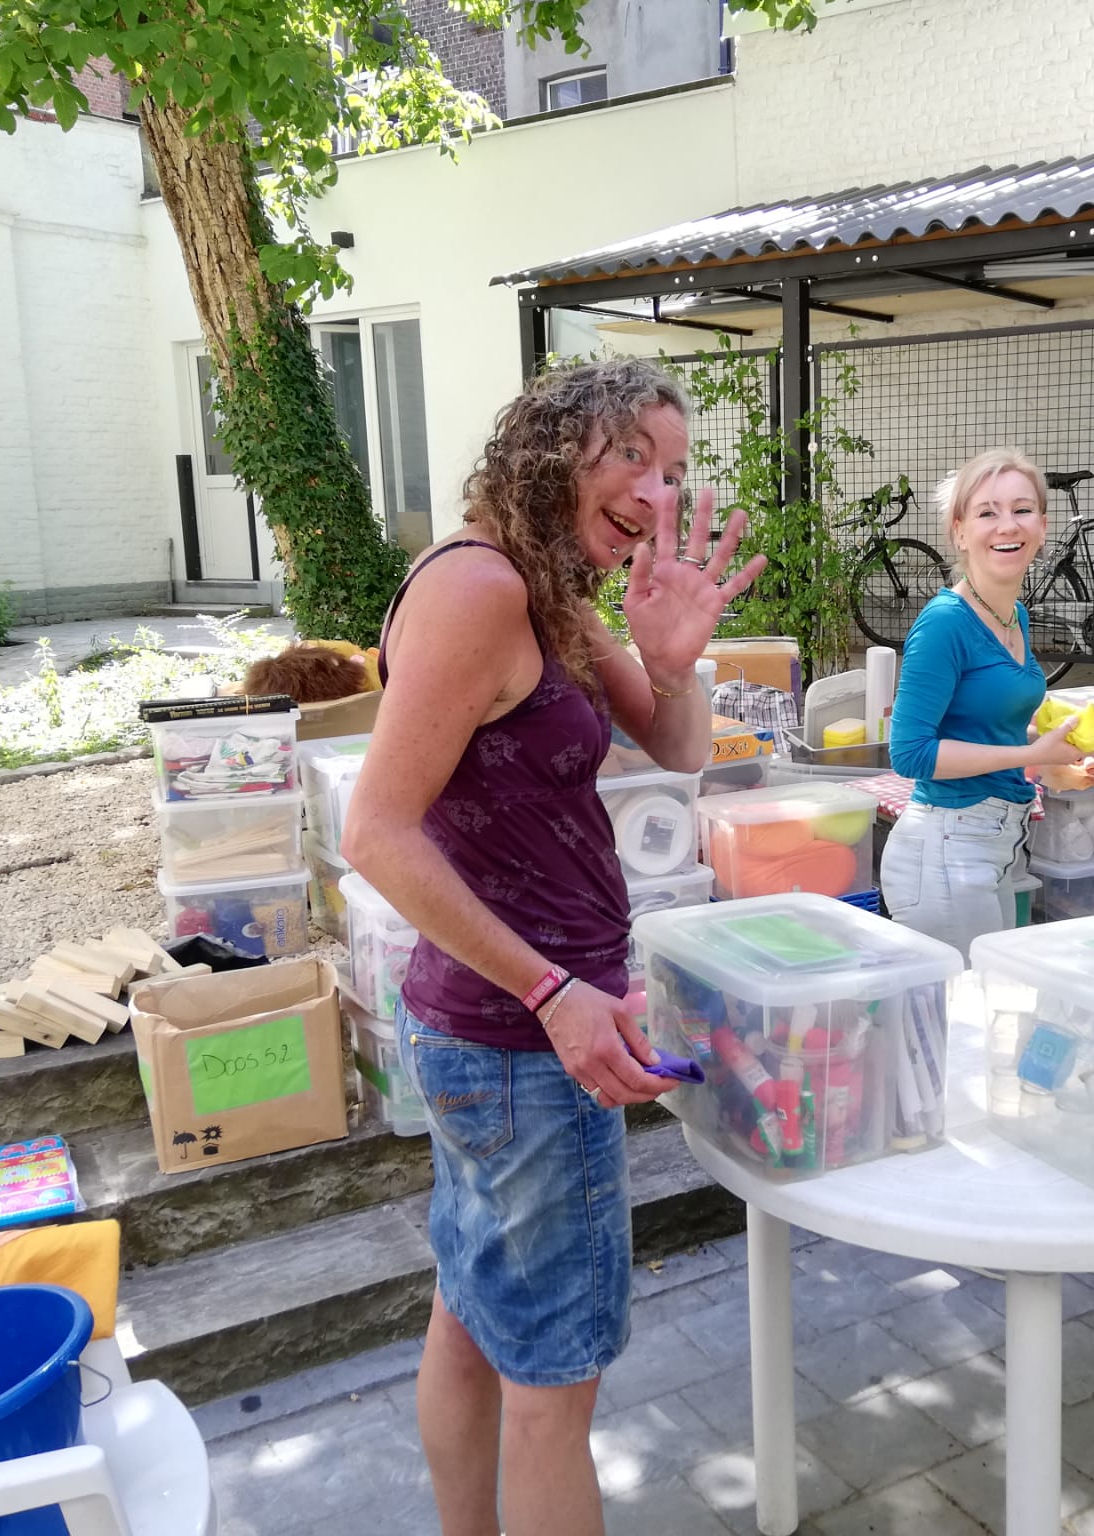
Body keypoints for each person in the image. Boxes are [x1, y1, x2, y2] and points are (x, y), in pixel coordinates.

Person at [341, 358, 764, 1536]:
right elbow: (372, 832)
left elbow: (675, 748)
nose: (654, 491)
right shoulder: (479, 588)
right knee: (550, 1387)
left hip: (497, 1032)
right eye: (631, 452)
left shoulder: (546, 587)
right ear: (551, 439)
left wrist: (674, 659)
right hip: (525, 1041)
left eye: (673, 470)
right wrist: (555, 993)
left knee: (473, 1320)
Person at [881, 449, 1094, 957]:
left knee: (987, 1009)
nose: (1008, 525)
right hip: (945, 849)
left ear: (1043, 526)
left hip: (996, 844)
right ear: (960, 531)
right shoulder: (945, 624)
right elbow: (911, 753)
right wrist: (1033, 756)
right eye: (987, 512)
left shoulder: (1015, 617)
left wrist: (1061, 756)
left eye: (1022, 509)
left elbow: (992, 734)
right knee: (964, 1018)